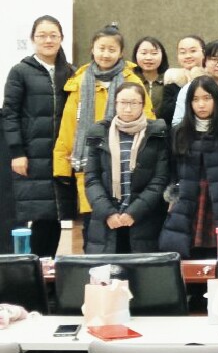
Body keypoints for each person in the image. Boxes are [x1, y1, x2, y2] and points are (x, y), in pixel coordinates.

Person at [54, 25, 153, 233]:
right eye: (101, 48)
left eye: (112, 49)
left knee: (125, 226)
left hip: (126, 164)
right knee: (94, 228)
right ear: (92, 49)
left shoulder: (132, 81)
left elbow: (148, 121)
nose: (106, 54)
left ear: (121, 53)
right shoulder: (79, 82)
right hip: (90, 161)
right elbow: (69, 125)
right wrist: (62, 165)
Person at [2, 15, 75, 257]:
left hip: (61, 156)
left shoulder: (70, 72)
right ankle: (31, 268)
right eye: (42, 35)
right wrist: (17, 152)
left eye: (53, 35)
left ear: (61, 38)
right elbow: (10, 114)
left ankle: (48, 267)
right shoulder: (20, 71)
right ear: (32, 39)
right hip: (32, 155)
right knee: (38, 214)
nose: (48, 40)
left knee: (56, 214)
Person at [160, 76, 218, 259]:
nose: (201, 104)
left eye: (207, 98)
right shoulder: (178, 132)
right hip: (187, 202)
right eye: (195, 99)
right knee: (186, 257)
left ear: (217, 100)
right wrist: (173, 197)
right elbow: (172, 170)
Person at [83, 83, 169, 254]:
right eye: (123, 102)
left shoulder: (157, 134)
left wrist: (134, 212)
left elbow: (160, 180)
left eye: (134, 103)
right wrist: (108, 212)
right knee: (106, 269)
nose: (128, 109)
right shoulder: (99, 133)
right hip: (107, 220)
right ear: (115, 104)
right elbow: (92, 178)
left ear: (143, 105)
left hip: (144, 220)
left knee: (142, 269)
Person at [160, 35, 205, 128]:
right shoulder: (172, 80)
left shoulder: (212, 78)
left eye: (193, 51)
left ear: (204, 53)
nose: (188, 56)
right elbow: (166, 115)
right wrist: (189, 83)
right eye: (182, 52)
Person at [131, 37, 170, 119]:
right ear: (135, 55)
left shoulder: (170, 81)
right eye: (143, 53)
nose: (148, 58)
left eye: (154, 53)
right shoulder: (130, 80)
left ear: (163, 56)